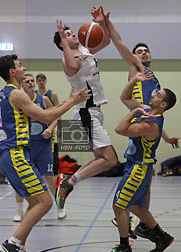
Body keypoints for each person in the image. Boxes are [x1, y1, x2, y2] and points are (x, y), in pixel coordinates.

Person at [0, 54, 90, 252]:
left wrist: (68, 100)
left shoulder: (5, 93)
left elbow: (47, 111)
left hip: (11, 153)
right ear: (12, 72)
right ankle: (12, 244)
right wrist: (73, 101)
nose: (24, 68)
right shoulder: (17, 94)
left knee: (36, 203)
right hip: (15, 153)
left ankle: (18, 248)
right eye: (20, 66)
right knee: (46, 201)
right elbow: (47, 117)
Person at [99, 5, 179, 240]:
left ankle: (141, 221)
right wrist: (106, 24)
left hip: (147, 136)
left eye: (146, 51)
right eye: (140, 52)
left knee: (145, 187)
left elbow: (155, 117)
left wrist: (166, 136)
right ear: (135, 58)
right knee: (135, 190)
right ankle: (134, 220)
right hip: (139, 136)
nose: (144, 53)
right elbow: (121, 44)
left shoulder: (153, 81)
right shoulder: (139, 71)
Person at [103, 73, 176, 252]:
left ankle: (124, 247)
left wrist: (134, 113)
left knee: (119, 206)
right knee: (136, 206)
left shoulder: (150, 124)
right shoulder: (148, 111)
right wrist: (135, 80)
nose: (153, 94)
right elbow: (124, 97)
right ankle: (162, 237)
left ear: (163, 105)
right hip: (137, 166)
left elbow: (120, 129)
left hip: (138, 169)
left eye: (158, 95)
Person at [53, 7, 118, 211]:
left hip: (95, 112)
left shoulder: (84, 51)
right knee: (110, 160)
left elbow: (105, 41)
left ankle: (67, 179)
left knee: (101, 159)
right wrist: (63, 40)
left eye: (72, 33)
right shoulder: (67, 59)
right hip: (84, 113)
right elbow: (73, 67)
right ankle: (67, 183)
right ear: (63, 43)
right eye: (69, 34)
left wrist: (102, 23)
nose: (73, 35)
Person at [12, 73, 66, 222]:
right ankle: (18, 210)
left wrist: (50, 129)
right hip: (26, 145)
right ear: (22, 85)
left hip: (43, 145)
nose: (30, 83)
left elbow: (56, 116)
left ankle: (60, 206)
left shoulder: (43, 99)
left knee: (48, 177)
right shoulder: (18, 100)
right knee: (21, 178)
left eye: (31, 81)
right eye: (27, 81)